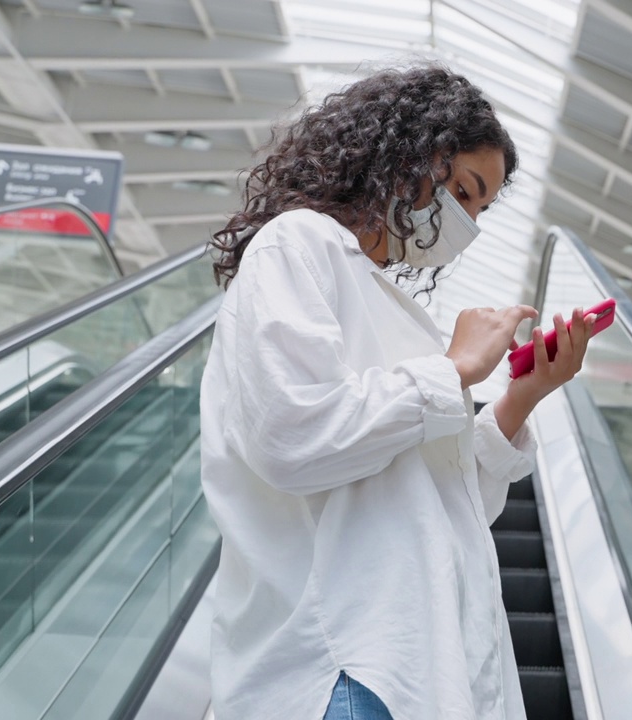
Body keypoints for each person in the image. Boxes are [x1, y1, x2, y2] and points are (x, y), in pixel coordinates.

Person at [200, 65, 595, 720]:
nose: (467, 222)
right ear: (407, 155)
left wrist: (521, 395)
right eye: (464, 192)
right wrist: (455, 369)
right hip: (347, 666)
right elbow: (293, 440)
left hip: (418, 669)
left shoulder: (389, 305)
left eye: (481, 209)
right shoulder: (298, 246)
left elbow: (436, 501)